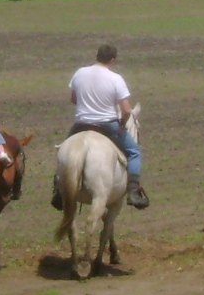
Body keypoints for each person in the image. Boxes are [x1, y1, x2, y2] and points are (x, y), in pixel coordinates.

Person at [53, 43, 149, 210]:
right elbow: (126, 110)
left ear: (97, 56)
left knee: (64, 152)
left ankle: (58, 190)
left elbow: (74, 99)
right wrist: (121, 124)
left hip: (81, 124)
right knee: (134, 152)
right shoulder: (115, 78)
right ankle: (133, 191)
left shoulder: (80, 73)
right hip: (107, 125)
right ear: (112, 60)